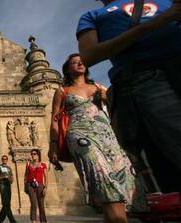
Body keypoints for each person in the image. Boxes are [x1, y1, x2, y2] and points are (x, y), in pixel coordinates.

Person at [77, 0, 181, 194]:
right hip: (146, 79)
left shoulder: (167, 2)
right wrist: (154, 25)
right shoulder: (93, 17)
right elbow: (89, 55)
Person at [49, 53, 148, 223]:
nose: (80, 63)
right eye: (74, 62)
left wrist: (108, 99)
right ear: (67, 69)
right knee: (102, 177)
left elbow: (117, 111)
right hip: (80, 136)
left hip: (106, 135)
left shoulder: (98, 87)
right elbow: (55, 120)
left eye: (81, 61)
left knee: (122, 178)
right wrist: (53, 147)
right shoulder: (62, 91)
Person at [24, 149, 47, 223]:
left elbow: (46, 177)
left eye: (34, 154)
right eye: (32, 154)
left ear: (38, 155)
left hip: (40, 185)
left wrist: (45, 188)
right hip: (30, 185)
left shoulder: (43, 164)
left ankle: (43, 221)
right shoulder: (28, 164)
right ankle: (33, 221)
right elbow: (26, 175)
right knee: (34, 203)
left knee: (41, 205)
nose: (32, 155)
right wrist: (25, 186)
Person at [0, 155, 17, 223]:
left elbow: (12, 178)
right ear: (2, 160)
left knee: (6, 204)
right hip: (3, 185)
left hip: (8, 186)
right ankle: (12, 221)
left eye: (6, 159)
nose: (4, 160)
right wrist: (3, 177)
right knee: (6, 203)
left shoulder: (9, 168)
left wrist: (10, 179)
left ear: (7, 160)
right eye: (3, 159)